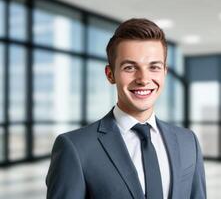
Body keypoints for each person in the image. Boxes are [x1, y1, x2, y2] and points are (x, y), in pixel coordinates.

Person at [46, 18, 206, 199]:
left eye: (154, 67)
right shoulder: (75, 148)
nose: (143, 79)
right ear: (110, 74)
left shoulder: (188, 142)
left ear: (164, 73)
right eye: (130, 67)